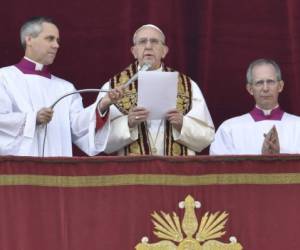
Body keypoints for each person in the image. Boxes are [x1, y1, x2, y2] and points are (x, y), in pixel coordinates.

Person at [0, 16, 123, 156]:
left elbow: (79, 128)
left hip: (58, 171)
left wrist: (102, 105)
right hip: (17, 171)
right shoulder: (4, 78)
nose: (56, 45)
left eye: (57, 41)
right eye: (50, 39)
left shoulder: (65, 88)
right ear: (29, 40)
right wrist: (32, 119)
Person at [98, 24, 214, 156]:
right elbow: (100, 141)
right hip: (134, 174)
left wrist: (183, 125)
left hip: (177, 173)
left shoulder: (188, 86)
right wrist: (128, 124)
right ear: (134, 51)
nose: (148, 46)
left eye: (154, 41)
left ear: (164, 51)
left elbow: (207, 136)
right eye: (142, 42)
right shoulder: (114, 87)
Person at [210, 58, 300, 155]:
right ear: (250, 89)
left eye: (270, 82)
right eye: (259, 83)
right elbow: (220, 168)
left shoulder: (297, 126)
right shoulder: (229, 129)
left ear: (280, 86)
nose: (265, 88)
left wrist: (279, 157)